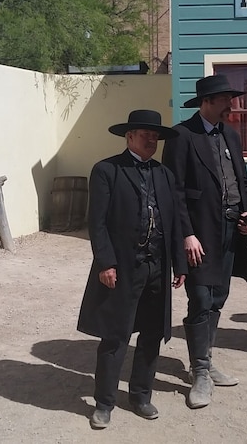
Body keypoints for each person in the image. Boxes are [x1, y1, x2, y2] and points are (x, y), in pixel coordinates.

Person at [77, 109, 188, 429]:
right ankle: (104, 402)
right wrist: (106, 262)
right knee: (115, 336)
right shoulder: (107, 170)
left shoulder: (164, 174)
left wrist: (179, 264)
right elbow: (96, 223)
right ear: (129, 137)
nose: (151, 140)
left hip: (157, 266)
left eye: (155, 136)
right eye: (144, 134)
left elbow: (176, 221)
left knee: (153, 334)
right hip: (123, 268)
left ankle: (140, 395)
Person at [162, 74, 247, 409]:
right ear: (207, 102)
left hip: (231, 230)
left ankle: (204, 359)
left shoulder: (230, 134)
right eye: (224, 99)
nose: (230, 104)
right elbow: (173, 191)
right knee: (201, 297)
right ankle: (200, 372)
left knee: (218, 296)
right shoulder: (182, 136)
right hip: (198, 233)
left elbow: (242, 179)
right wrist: (186, 232)